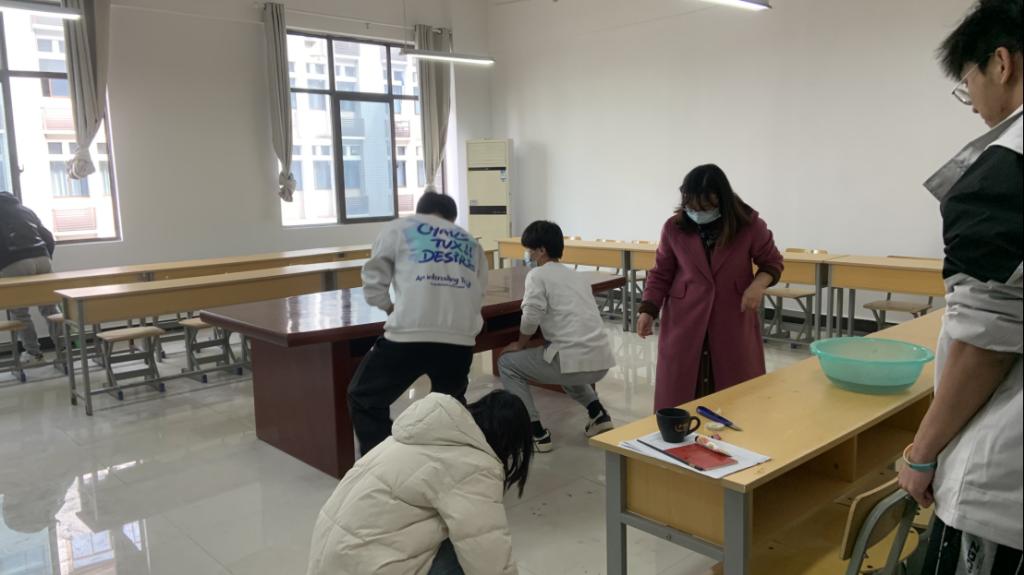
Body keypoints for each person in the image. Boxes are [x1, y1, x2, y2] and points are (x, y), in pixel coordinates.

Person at [897, 1, 1023, 572]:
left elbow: (984, 344)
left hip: (1006, 477)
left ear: (1001, 63)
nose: (970, 99)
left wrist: (921, 455)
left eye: (966, 81)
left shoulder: (1003, 174)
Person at [307, 390, 532, 575]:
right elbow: (485, 549)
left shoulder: (418, 433)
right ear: (509, 442)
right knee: (467, 549)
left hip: (329, 561)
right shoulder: (475, 465)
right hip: (366, 565)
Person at [349, 191, 488, 455]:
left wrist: (388, 307)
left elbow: (373, 276)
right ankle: (451, 459)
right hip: (459, 339)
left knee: (364, 396)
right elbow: (479, 291)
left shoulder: (399, 228)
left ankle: (384, 462)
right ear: (452, 217)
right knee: (449, 408)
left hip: (409, 334)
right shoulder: (470, 242)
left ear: (420, 211)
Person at [635, 164, 783, 410]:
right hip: (685, 317)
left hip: (731, 316)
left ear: (721, 199)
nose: (697, 213)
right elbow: (661, 272)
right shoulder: (674, 227)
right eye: (691, 206)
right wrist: (648, 309)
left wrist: (757, 285)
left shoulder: (749, 225)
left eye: (704, 207)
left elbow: (772, 262)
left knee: (734, 391)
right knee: (682, 392)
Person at [497, 220, 616, 452]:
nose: (528, 254)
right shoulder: (577, 276)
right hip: (601, 360)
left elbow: (530, 316)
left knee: (508, 363)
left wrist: (519, 344)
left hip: (572, 361)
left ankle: (535, 433)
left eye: (530, 249)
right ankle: (598, 414)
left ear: (541, 250)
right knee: (560, 360)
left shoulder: (537, 275)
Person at [0, 191, 57, 366]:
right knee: (50, 308)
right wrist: (46, 257)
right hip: (42, 258)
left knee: (20, 312)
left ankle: (34, 354)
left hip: (14, 262)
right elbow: (48, 237)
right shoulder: (25, 210)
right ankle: (63, 350)